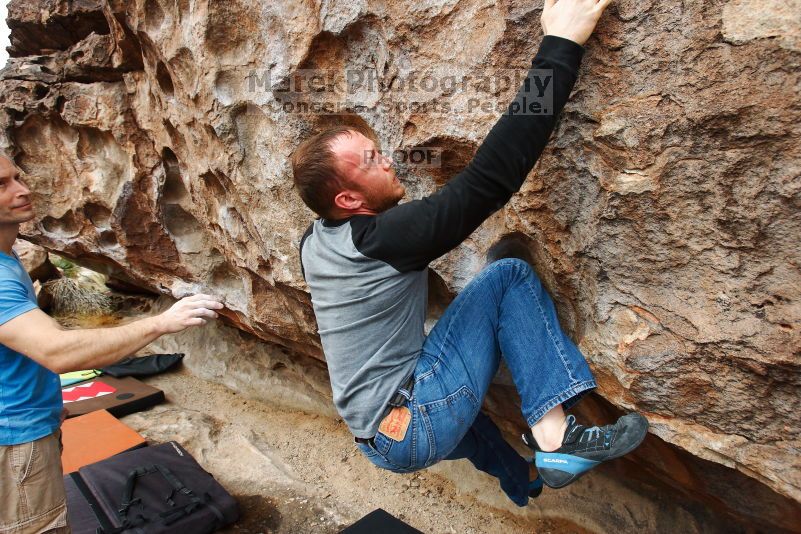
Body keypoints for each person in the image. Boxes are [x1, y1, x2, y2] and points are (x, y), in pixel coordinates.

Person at [292, 0, 648, 506]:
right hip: (413, 424)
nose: (388, 160)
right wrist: (561, 45)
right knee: (507, 278)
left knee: (437, 364)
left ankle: (520, 478)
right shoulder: (383, 240)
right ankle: (556, 440)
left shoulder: (315, 240)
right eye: (371, 160)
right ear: (347, 200)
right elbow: (491, 178)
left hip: (375, 435)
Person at [0, 155, 223, 532]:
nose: (22, 190)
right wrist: (163, 323)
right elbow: (56, 351)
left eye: (17, 177)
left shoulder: (8, 257)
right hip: (17, 438)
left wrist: (48, 401)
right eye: (1, 185)